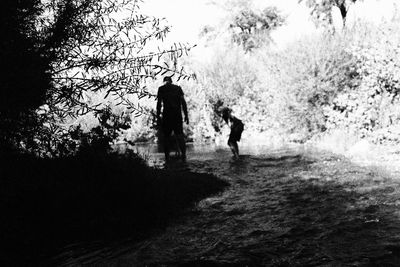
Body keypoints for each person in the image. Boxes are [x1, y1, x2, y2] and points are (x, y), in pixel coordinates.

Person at [156, 76, 189, 162]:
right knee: (180, 136)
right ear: (171, 81)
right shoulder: (177, 88)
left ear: (164, 82)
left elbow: (159, 103)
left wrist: (158, 116)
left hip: (167, 116)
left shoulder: (161, 89)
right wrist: (186, 115)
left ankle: (167, 158)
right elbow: (183, 102)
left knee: (167, 137)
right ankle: (184, 156)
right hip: (177, 115)